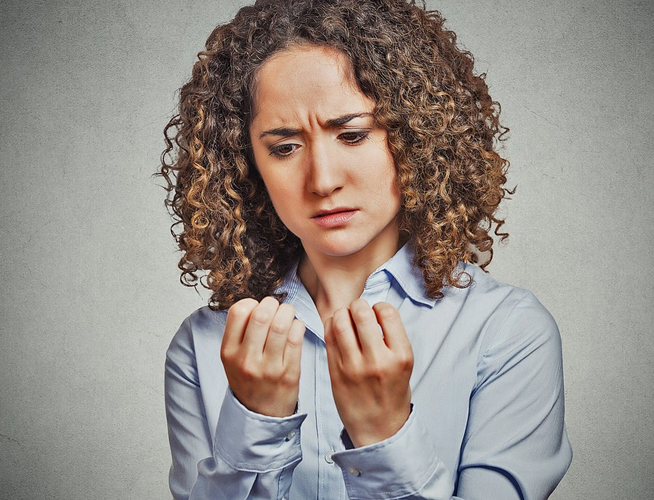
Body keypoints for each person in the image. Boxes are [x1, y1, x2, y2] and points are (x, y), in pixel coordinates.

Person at [158, 0, 572, 498]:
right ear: (245, 164)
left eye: (352, 135)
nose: (323, 180)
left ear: (416, 136)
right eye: (284, 147)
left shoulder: (507, 333)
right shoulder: (203, 347)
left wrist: (384, 435)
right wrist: (254, 424)